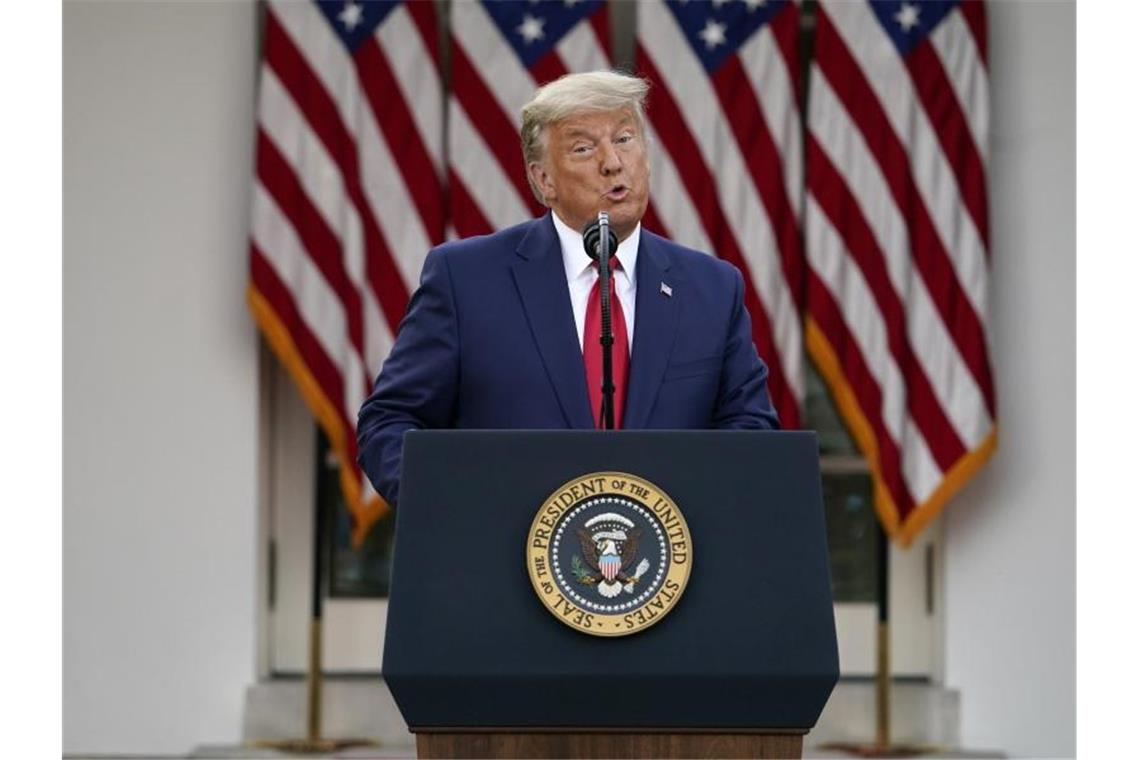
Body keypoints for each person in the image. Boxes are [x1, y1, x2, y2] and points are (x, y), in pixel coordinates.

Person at [357, 70, 779, 507]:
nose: (613, 162)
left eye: (625, 139)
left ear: (646, 157)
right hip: (503, 563)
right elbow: (389, 420)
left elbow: (749, 429)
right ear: (544, 181)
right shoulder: (465, 279)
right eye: (583, 148)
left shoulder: (712, 288)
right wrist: (458, 515)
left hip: (668, 562)